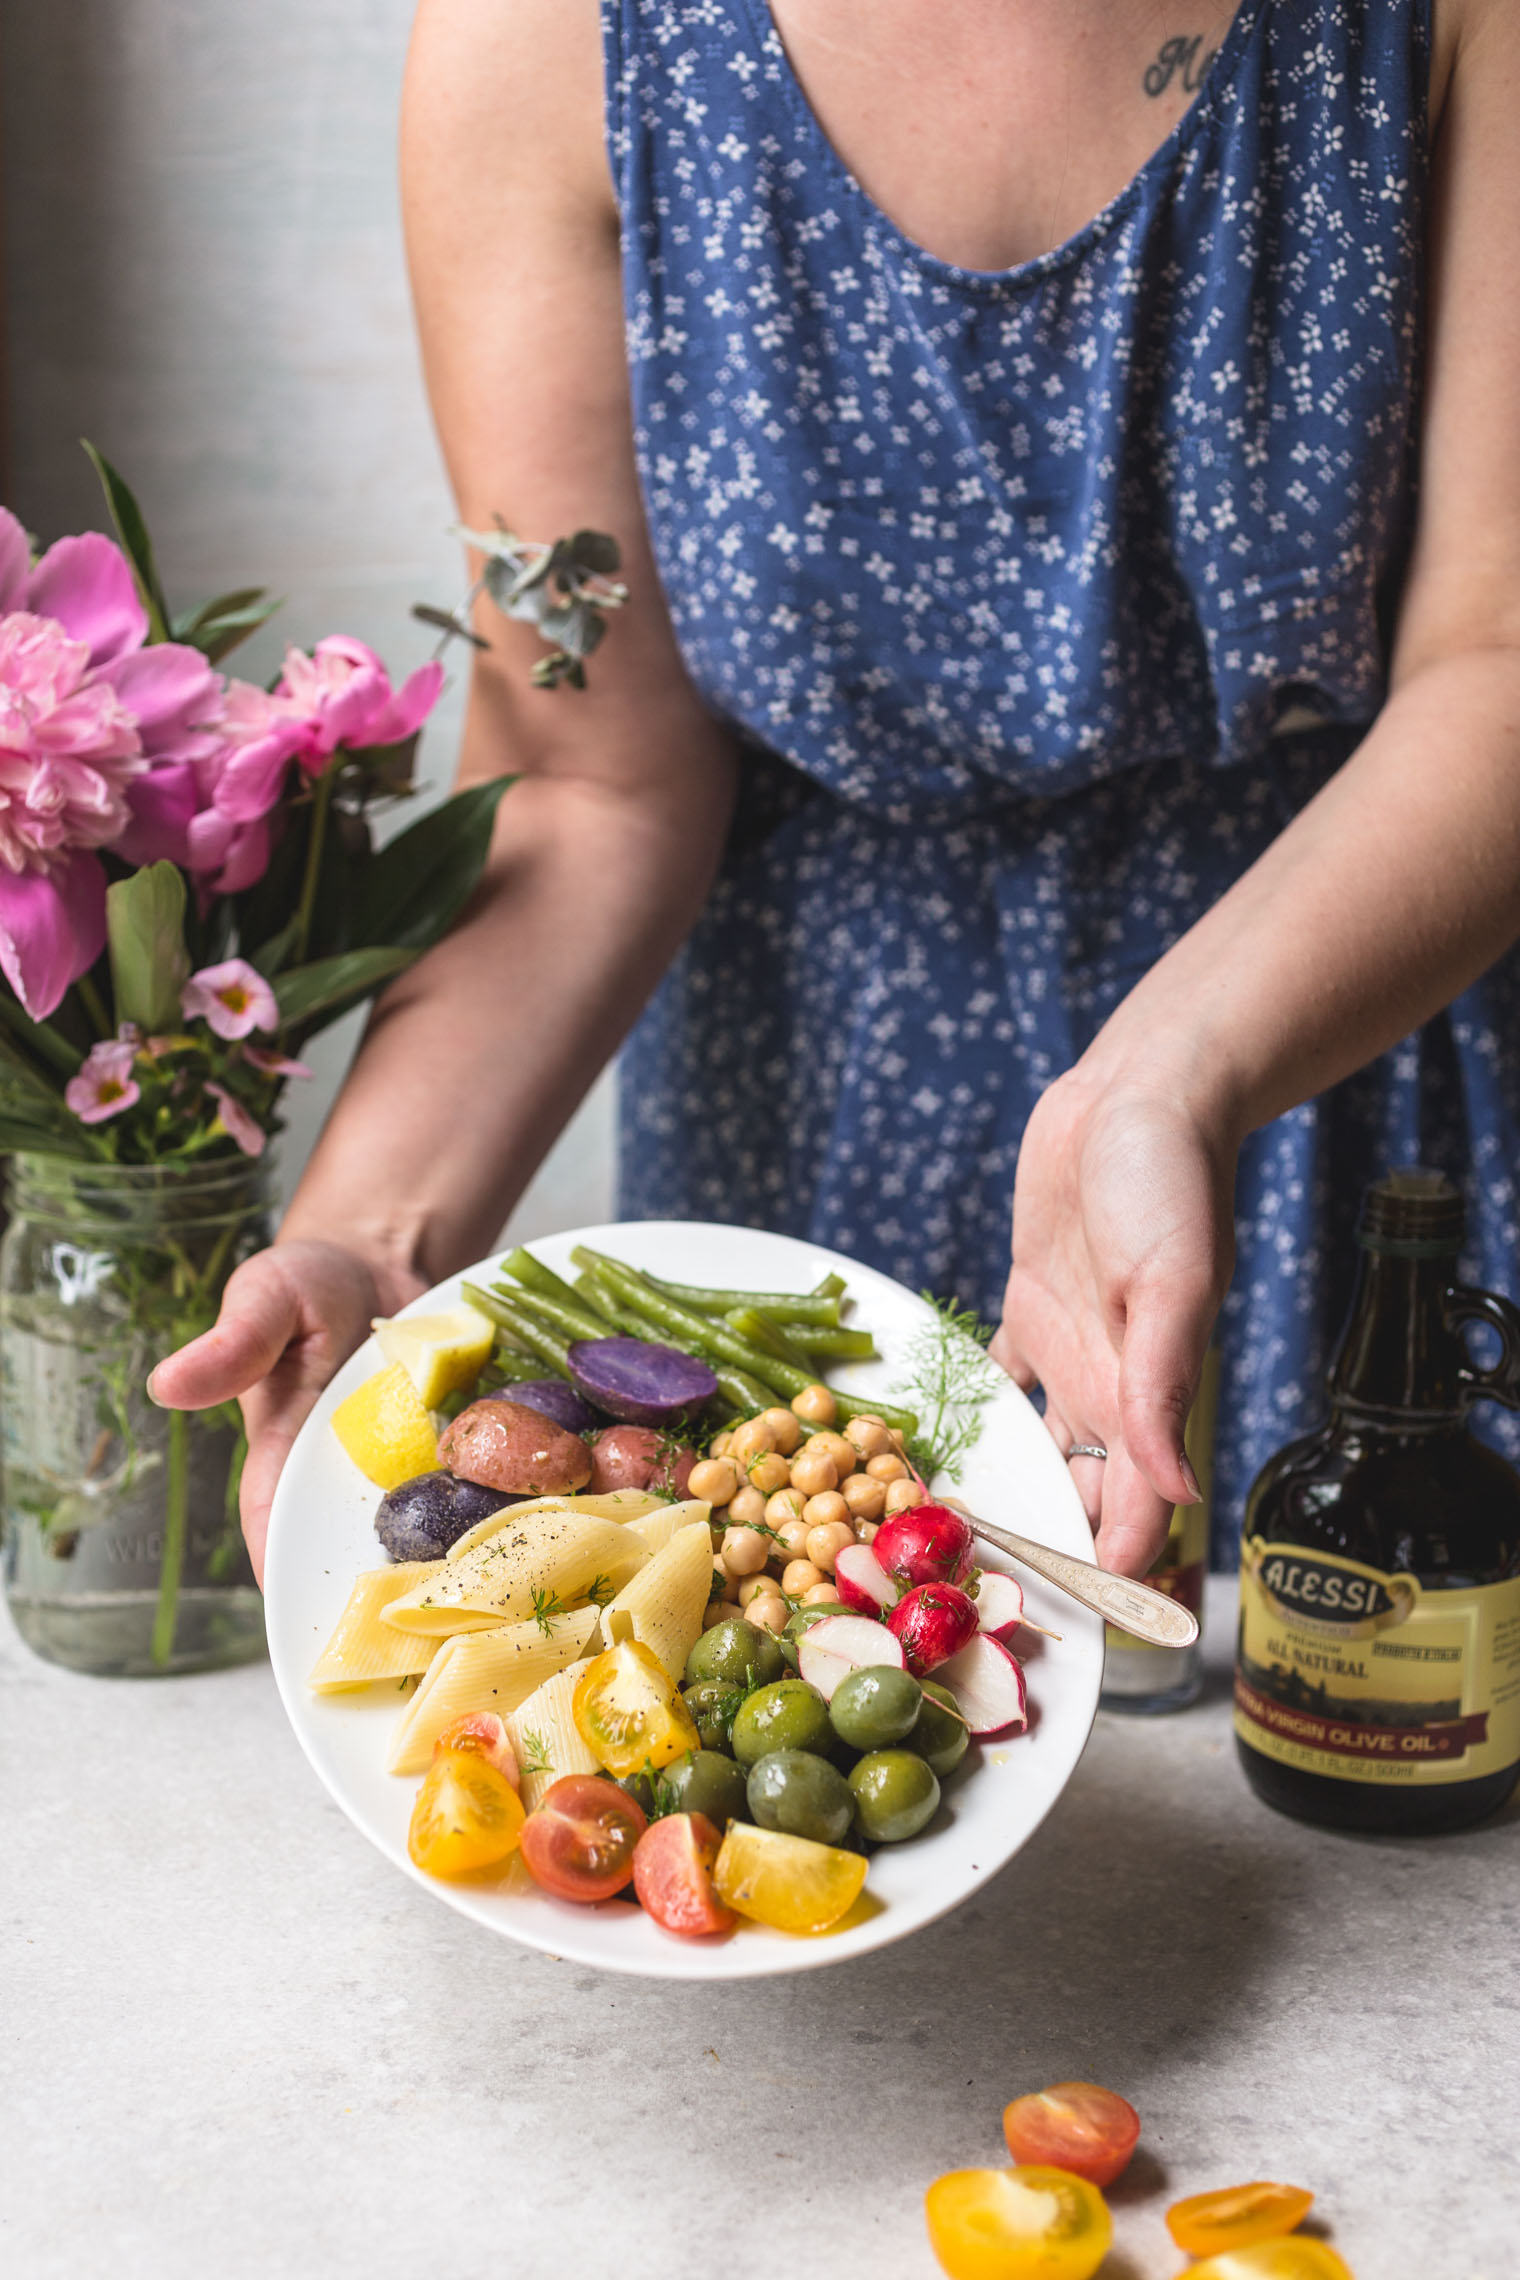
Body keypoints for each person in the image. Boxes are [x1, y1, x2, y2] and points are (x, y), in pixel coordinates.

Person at [152, 0, 1520, 1584]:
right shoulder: (537, 36)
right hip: (803, 1102)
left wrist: (1162, 1076)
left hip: (1335, 1034)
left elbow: (1494, 658)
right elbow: (586, 767)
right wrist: (373, 1232)